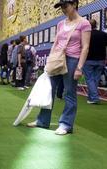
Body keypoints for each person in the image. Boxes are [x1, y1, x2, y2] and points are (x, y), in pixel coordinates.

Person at [27, 0, 91, 135]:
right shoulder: (60, 23)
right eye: (61, 6)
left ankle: (66, 124)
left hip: (73, 60)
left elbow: (85, 47)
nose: (63, 9)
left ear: (74, 4)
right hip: (57, 59)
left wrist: (79, 67)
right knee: (49, 90)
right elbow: (56, 43)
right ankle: (42, 121)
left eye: (65, 6)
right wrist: (49, 61)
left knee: (69, 93)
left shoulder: (84, 23)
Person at [83, 19, 107, 104]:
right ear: (96, 25)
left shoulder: (86, 35)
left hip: (88, 60)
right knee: (95, 80)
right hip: (101, 60)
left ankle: (94, 98)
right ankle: (91, 97)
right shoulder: (103, 34)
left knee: (89, 79)